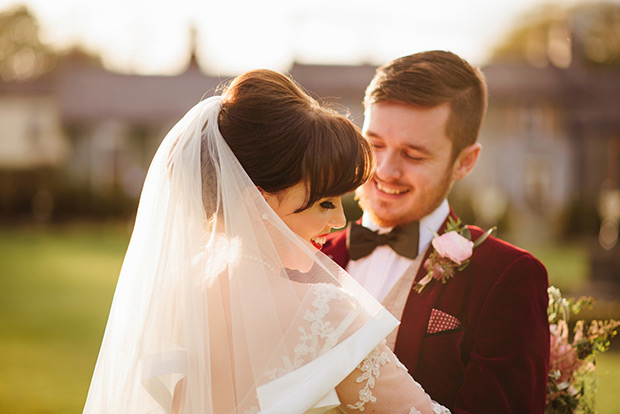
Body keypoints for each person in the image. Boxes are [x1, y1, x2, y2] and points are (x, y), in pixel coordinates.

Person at [82, 69, 449, 414]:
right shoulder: (327, 311)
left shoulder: (178, 297)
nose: (339, 221)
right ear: (256, 203)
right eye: (324, 203)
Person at [322, 51, 550, 413]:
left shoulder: (507, 277)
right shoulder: (310, 255)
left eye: (413, 155)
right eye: (375, 144)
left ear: (465, 162)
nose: (385, 169)